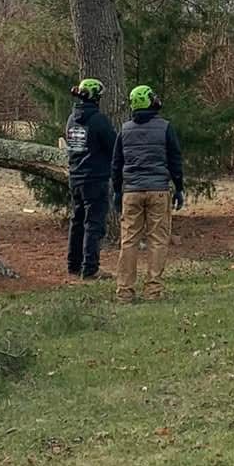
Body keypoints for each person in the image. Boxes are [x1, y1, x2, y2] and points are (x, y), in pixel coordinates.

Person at [112, 84, 184, 302]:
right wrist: (179, 187)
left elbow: (116, 164)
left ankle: (124, 291)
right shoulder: (165, 127)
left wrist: (117, 191)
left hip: (131, 192)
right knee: (157, 240)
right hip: (158, 191)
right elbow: (175, 160)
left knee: (129, 241)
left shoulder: (124, 130)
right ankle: (154, 290)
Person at [64, 77, 117, 281]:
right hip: (95, 179)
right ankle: (90, 268)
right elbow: (113, 147)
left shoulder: (71, 119)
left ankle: (73, 264)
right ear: (96, 98)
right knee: (94, 223)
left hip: (75, 177)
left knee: (77, 221)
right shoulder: (98, 120)